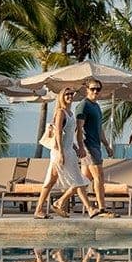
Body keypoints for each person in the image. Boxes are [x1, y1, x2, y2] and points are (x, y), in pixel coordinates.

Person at [34, 89, 100, 219]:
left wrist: (76, 147)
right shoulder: (61, 112)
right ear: (61, 97)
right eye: (66, 94)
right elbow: (58, 133)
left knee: (51, 181)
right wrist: (61, 153)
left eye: (71, 94)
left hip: (69, 151)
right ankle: (89, 208)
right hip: (60, 152)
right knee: (78, 180)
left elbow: (68, 135)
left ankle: (41, 209)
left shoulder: (70, 113)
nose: (69, 96)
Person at [76, 79, 116, 218]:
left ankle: (59, 201)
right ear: (86, 89)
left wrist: (107, 146)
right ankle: (102, 208)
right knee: (99, 177)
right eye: (93, 89)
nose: (95, 92)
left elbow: (100, 130)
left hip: (96, 146)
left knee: (83, 180)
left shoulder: (96, 107)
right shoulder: (83, 106)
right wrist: (81, 147)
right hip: (88, 147)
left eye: (98, 89)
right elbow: (79, 129)